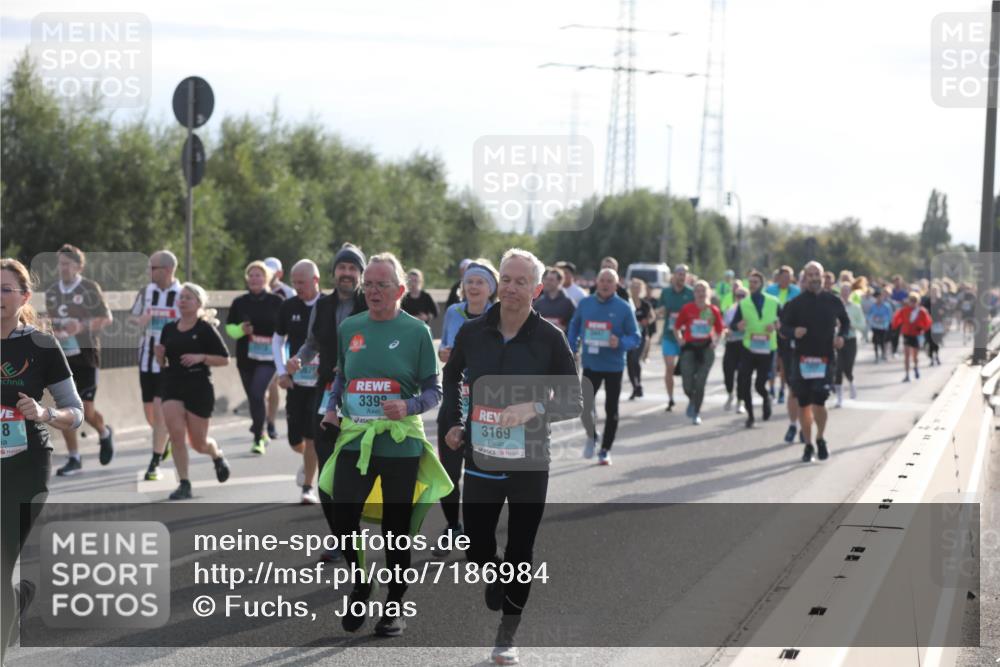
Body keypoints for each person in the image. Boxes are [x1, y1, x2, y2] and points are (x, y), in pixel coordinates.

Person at [442, 248, 582, 665]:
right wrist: (451, 424)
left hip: (530, 461)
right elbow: (452, 383)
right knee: (475, 544)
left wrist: (536, 409)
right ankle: (495, 572)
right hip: (481, 456)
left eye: (522, 281)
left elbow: (575, 401)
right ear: (496, 283)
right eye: (506, 278)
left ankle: (506, 636)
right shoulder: (472, 332)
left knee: (521, 548)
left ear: (537, 289)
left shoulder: (549, 339)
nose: (512, 287)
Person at [317, 252, 451, 638]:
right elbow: (341, 378)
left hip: (400, 443)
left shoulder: (416, 332)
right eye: (369, 284)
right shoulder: (351, 328)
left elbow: (434, 390)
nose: (374, 291)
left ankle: (394, 605)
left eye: (383, 285)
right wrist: (330, 410)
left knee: (397, 530)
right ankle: (361, 583)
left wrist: (407, 405)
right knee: (342, 516)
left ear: (401, 290)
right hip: (356, 438)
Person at [1, 258, 84, 659]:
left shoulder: (41, 345)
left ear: (24, 297)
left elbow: (75, 411)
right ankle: (16, 598)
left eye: (5, 289)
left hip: (26, 467)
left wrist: (45, 413)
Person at [288, 242, 367, 563]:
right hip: (327, 392)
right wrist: (298, 359)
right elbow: (311, 343)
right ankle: (341, 536)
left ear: (360, 274)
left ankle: (359, 526)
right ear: (333, 272)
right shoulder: (322, 306)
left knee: (360, 467)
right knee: (326, 463)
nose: (346, 274)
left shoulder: (371, 302)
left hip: (365, 392)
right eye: (342, 268)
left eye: (352, 269)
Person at [435, 259, 499, 556]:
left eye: (480, 282)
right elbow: (445, 348)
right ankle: (452, 526)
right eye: (469, 281)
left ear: (491, 289)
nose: (473, 286)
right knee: (448, 470)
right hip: (453, 399)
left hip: (485, 403)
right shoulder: (452, 312)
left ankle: (478, 529)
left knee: (478, 473)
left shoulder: (498, 316)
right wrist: (446, 352)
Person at [155, 283, 231, 500]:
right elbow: (163, 363)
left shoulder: (204, 329)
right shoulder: (168, 328)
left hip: (199, 387)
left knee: (199, 443)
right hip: (172, 385)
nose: (183, 301)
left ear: (199, 303)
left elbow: (225, 359)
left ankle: (216, 454)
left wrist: (201, 357)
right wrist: (159, 355)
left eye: (188, 297)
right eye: (181, 297)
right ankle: (184, 483)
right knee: (177, 436)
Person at [44, 244, 115, 475]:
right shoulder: (53, 291)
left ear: (78, 265)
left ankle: (104, 432)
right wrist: (54, 330)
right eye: (60, 264)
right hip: (63, 356)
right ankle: (74, 457)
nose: (62, 268)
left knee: (86, 410)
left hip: (85, 356)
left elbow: (106, 319)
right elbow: (52, 320)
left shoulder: (88, 288)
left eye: (67, 264)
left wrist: (81, 326)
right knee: (65, 407)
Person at [567, 268, 641, 464]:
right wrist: (572, 345)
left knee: (611, 409)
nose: (606, 284)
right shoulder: (585, 303)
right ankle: (592, 435)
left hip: (614, 366)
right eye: (602, 280)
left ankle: (605, 450)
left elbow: (636, 337)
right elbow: (574, 325)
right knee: (584, 408)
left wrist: (621, 342)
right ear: (596, 283)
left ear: (616, 285)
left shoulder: (624, 308)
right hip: (591, 364)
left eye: (610, 281)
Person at [780, 261, 850, 463]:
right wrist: (794, 332)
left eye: (816, 274)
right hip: (801, 359)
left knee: (819, 401)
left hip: (825, 358)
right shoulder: (796, 303)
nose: (813, 278)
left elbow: (845, 322)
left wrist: (842, 337)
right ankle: (808, 444)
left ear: (823, 276)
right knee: (803, 404)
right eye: (809, 274)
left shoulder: (833, 301)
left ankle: (820, 438)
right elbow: (783, 328)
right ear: (804, 278)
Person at [129, 250, 182, 481]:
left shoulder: (182, 294)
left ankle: (154, 462)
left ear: (168, 270)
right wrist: (140, 320)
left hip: (169, 364)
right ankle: (164, 439)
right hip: (146, 360)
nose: (149, 272)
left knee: (160, 413)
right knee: (150, 413)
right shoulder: (146, 292)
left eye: (153, 268)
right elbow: (132, 318)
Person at [273, 260, 323, 504]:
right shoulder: (288, 306)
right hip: (296, 383)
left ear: (315, 280)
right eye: (293, 283)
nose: (297, 287)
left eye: (301, 283)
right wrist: (282, 371)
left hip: (320, 384)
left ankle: (307, 486)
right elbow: (277, 340)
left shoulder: (327, 306)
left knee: (313, 436)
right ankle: (308, 462)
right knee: (296, 440)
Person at [226, 261, 283, 454]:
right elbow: (229, 329)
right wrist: (240, 330)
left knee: (258, 393)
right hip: (246, 357)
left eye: (258, 275)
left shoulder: (276, 302)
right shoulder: (239, 302)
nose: (254, 279)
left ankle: (258, 438)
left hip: (269, 358)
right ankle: (262, 430)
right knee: (253, 398)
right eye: (251, 275)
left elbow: (286, 330)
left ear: (266, 278)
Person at [731, 270, 781, 428]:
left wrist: (775, 325)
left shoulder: (774, 301)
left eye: (755, 282)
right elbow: (733, 324)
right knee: (744, 382)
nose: (752, 285)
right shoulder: (744, 304)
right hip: (748, 348)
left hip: (767, 349)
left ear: (762, 285)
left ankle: (766, 399)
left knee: (760, 384)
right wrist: (737, 326)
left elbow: (784, 321)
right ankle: (751, 415)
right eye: (750, 282)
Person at [673, 280, 725, 425]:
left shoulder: (713, 310)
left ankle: (696, 411)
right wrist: (680, 339)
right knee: (687, 384)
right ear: (694, 293)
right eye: (698, 291)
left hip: (706, 349)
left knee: (700, 382)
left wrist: (716, 341)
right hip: (689, 348)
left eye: (703, 290)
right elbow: (676, 327)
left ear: (708, 293)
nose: (701, 293)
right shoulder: (687, 308)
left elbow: (720, 330)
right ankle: (692, 399)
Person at [765, 266, 802, 442]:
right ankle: (775, 389)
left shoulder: (797, 291)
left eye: (789, 277)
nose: (786, 280)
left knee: (797, 381)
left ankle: (782, 390)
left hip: (794, 338)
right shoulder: (770, 290)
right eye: (783, 277)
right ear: (778, 278)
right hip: (775, 336)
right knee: (777, 366)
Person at [657, 264, 694, 412]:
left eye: (684, 274)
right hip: (669, 335)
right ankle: (671, 398)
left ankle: (691, 396)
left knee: (687, 370)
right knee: (670, 367)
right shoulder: (665, 292)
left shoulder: (691, 293)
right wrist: (659, 312)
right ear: (674, 276)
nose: (681, 277)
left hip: (687, 336)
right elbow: (659, 310)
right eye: (679, 274)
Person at [263, 257, 293, 440]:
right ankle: (264, 421)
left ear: (279, 274)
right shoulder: (258, 289)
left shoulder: (287, 292)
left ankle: (270, 422)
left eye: (271, 272)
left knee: (272, 383)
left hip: (280, 344)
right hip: (259, 346)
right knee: (264, 386)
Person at [834, 282, 866, 407]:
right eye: (843, 291)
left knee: (848, 366)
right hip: (838, 339)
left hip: (851, 339)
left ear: (850, 293)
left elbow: (862, 324)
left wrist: (851, 325)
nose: (845, 293)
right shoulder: (836, 306)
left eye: (847, 291)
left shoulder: (856, 307)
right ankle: (839, 398)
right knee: (838, 367)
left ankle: (852, 383)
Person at [891, 291, 932, 382]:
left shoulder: (921, 311)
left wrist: (922, 328)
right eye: (911, 301)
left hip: (916, 335)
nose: (912, 303)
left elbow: (928, 322)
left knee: (915, 356)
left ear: (917, 302)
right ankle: (907, 375)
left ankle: (916, 367)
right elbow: (897, 318)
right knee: (906, 356)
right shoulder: (904, 310)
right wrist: (895, 326)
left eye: (914, 301)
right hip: (906, 334)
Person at [626, 277, 656, 400]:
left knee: (635, 359)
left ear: (641, 289)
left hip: (641, 336)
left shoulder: (645, 304)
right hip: (628, 336)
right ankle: (635, 387)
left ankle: (638, 384)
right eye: (633, 287)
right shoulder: (626, 303)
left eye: (638, 287)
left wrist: (646, 321)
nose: (635, 289)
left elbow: (652, 317)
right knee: (629, 362)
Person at [721, 282, 748, 413]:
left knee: (743, 374)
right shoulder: (730, 310)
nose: (740, 298)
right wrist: (726, 331)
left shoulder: (750, 311)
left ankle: (740, 401)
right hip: (731, 344)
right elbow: (724, 326)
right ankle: (730, 393)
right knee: (728, 371)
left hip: (745, 345)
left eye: (743, 295)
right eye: (738, 295)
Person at [532, 266, 576, 334]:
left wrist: (566, 328)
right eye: (546, 279)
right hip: (541, 341)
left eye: (551, 280)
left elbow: (576, 322)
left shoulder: (568, 303)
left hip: (560, 341)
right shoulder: (539, 302)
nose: (547, 282)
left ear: (560, 282)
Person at [867, 289, 893, 362]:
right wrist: (873, 318)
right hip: (875, 326)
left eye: (880, 297)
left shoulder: (886, 306)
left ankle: (883, 354)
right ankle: (876, 355)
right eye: (877, 297)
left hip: (883, 326)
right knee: (875, 341)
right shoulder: (873, 306)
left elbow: (889, 316)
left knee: (882, 341)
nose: (879, 299)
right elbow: (869, 315)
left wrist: (882, 319)